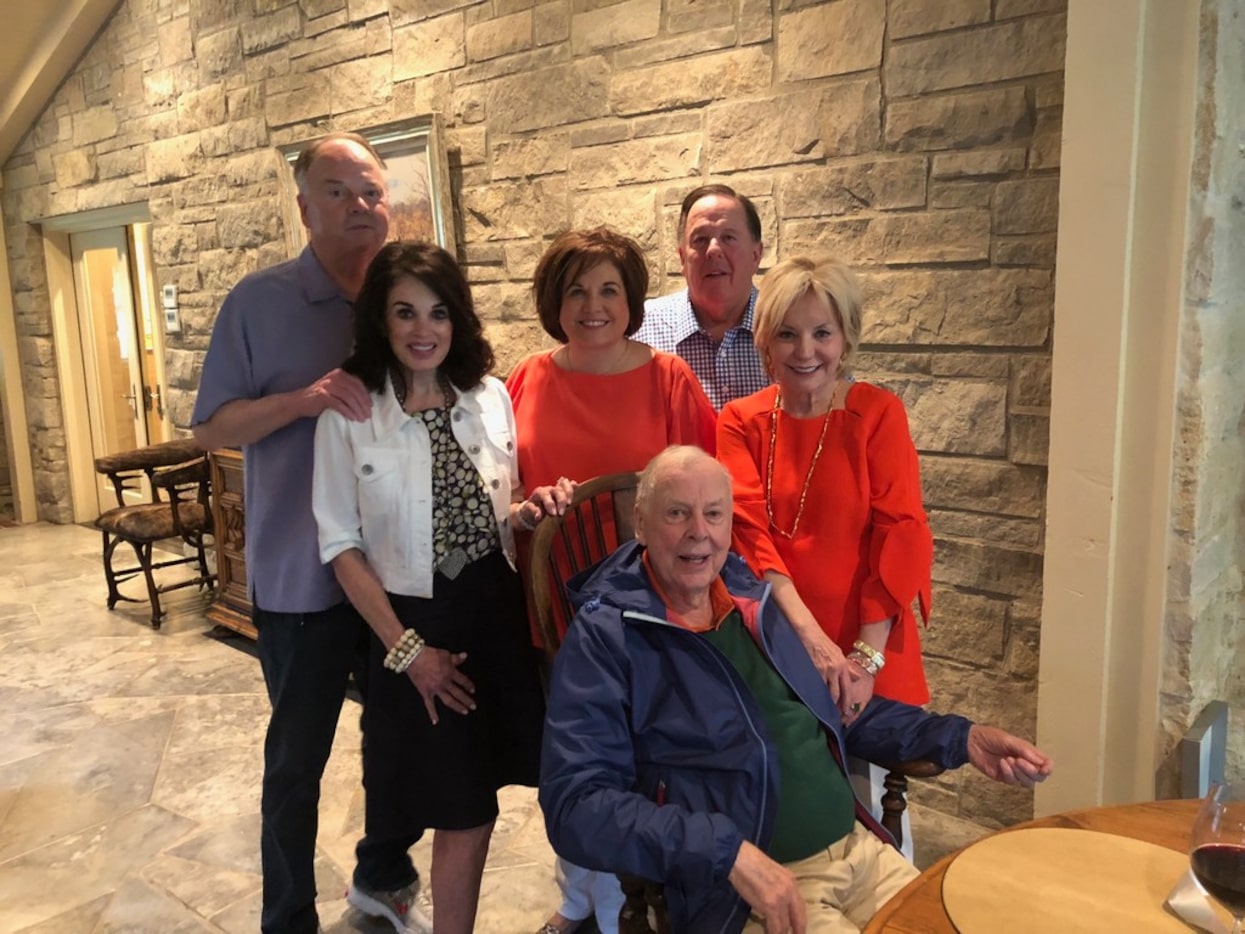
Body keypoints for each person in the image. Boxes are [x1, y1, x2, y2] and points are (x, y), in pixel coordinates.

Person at [540, 447, 1052, 934]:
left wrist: (959, 738)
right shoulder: (607, 635)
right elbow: (575, 805)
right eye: (677, 513)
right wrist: (726, 853)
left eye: (714, 515)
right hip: (757, 891)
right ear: (641, 525)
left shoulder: (750, 602)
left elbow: (836, 709)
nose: (699, 533)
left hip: (860, 850)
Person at [191, 132, 415, 934]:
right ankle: (286, 917)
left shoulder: (404, 298)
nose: (358, 205)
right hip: (299, 582)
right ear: (303, 207)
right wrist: (304, 398)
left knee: (399, 747)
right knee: (297, 762)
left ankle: (384, 878)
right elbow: (210, 430)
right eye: (337, 190)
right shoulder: (259, 302)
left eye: (370, 191)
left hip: (396, 578)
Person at [312, 242, 549, 934]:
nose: (424, 329)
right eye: (405, 312)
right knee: (451, 800)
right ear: (380, 322)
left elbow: (486, 512)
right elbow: (340, 545)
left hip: (493, 618)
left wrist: (524, 512)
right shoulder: (350, 415)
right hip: (410, 625)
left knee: (480, 801)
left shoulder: (489, 396)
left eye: (438, 313)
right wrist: (408, 652)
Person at [506, 226, 718, 934]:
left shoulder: (669, 379)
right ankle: (581, 901)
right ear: (553, 302)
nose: (593, 306)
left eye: (608, 290)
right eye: (575, 291)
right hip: (557, 607)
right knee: (575, 765)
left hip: (655, 611)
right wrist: (525, 509)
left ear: (630, 300)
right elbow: (501, 495)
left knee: (652, 760)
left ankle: (656, 892)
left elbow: (713, 499)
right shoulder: (526, 380)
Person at [717, 256, 933, 720]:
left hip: (869, 643)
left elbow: (899, 534)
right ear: (765, 342)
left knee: (866, 790)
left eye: (822, 333)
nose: (805, 351)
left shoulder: (878, 414)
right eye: (787, 334)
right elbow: (748, 536)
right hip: (775, 640)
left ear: (846, 338)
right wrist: (811, 642)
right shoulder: (738, 421)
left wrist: (863, 661)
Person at [634, 184, 770, 410]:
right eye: (700, 240)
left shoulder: (792, 325)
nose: (713, 250)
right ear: (681, 258)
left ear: (756, 255)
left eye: (728, 237)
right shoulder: (639, 329)